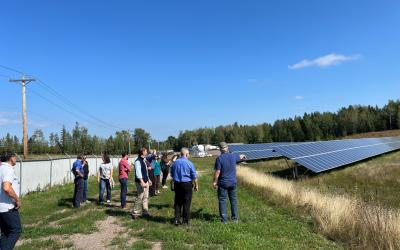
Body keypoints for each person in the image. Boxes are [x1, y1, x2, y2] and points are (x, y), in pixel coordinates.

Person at [213, 142, 246, 223]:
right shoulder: (233, 156)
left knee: (223, 200)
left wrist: (215, 182)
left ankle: (224, 220)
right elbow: (242, 156)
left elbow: (218, 171)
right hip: (232, 182)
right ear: (227, 148)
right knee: (233, 200)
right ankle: (235, 219)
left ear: (220, 149)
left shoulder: (219, 159)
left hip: (223, 183)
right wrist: (243, 156)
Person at [170, 148, 198, 226]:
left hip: (177, 184)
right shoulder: (189, 163)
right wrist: (196, 185)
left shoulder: (174, 163)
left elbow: (172, 174)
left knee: (178, 202)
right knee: (186, 202)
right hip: (187, 184)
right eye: (188, 153)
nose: (189, 155)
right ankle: (185, 220)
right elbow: (194, 176)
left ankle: (176, 219)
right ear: (186, 154)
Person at [0, 152, 22, 250]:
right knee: (16, 231)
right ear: (11, 159)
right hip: (7, 207)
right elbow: (7, 188)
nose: (16, 159)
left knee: (5, 232)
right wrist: (17, 199)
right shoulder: (8, 169)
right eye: (15, 157)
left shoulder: (0, 169)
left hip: (1, 207)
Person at [132, 147, 152, 219]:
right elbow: (138, 173)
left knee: (146, 197)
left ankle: (145, 212)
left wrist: (148, 180)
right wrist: (142, 182)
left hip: (145, 181)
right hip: (140, 182)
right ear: (142, 152)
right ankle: (135, 212)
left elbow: (145, 172)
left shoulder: (144, 160)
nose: (147, 152)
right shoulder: (138, 161)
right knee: (140, 197)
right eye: (146, 151)